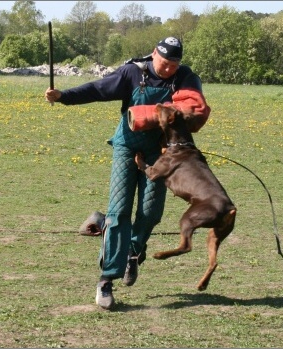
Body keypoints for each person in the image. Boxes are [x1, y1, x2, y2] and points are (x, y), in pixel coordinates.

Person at [45, 37, 211, 310]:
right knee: (119, 211)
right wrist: (63, 96)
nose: (169, 69)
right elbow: (98, 89)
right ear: (154, 54)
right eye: (164, 63)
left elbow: (195, 107)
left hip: (160, 151)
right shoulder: (133, 72)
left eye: (174, 65)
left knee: (151, 211)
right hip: (127, 146)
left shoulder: (185, 77)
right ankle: (106, 279)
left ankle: (133, 252)